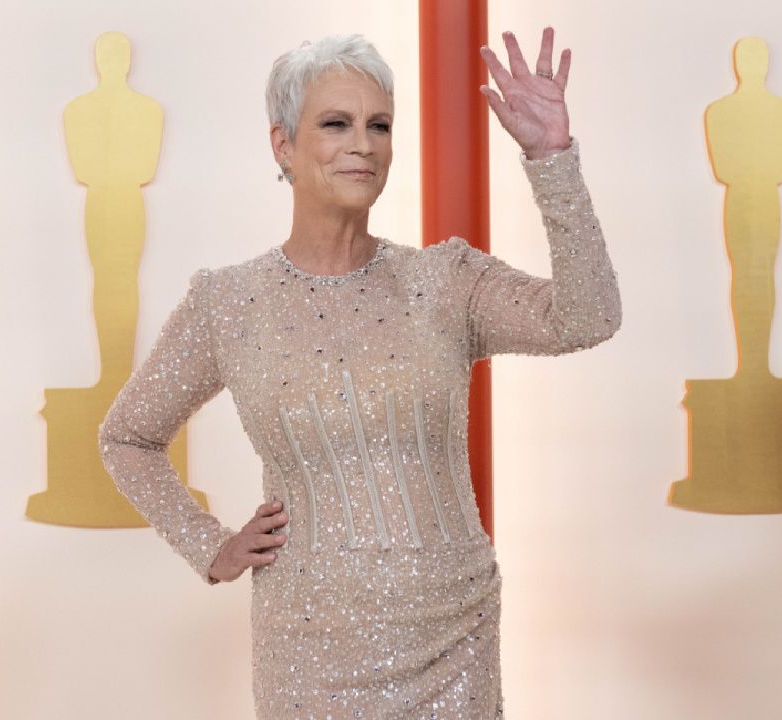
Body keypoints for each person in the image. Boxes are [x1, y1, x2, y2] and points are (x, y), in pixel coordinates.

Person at [98, 27, 621, 719]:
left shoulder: (446, 280)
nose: (363, 144)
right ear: (282, 144)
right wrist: (209, 546)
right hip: (307, 654)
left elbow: (587, 318)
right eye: (336, 124)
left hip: (453, 641)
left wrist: (551, 157)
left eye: (379, 125)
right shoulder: (226, 303)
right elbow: (127, 437)